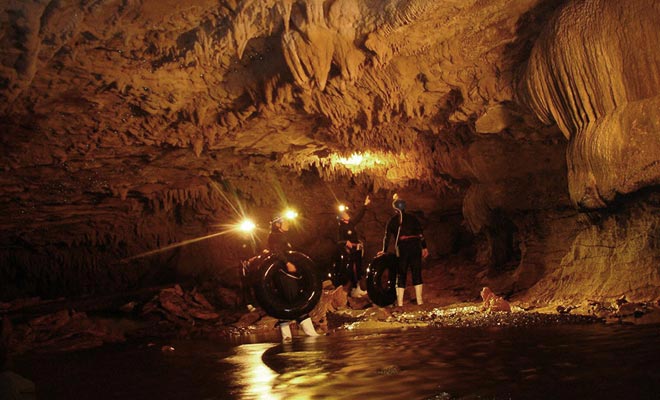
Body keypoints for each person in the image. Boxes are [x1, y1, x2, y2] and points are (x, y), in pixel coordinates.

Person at [267, 216, 320, 341]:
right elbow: (276, 251)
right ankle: (308, 333)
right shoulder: (274, 236)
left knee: (288, 300)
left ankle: (287, 337)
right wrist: (287, 263)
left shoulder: (284, 237)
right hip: (283, 274)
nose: (288, 224)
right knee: (294, 300)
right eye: (285, 222)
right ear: (278, 225)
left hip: (288, 274)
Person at [379, 194, 429, 306]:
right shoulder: (413, 218)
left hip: (402, 248)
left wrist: (384, 250)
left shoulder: (392, 221)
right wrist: (424, 247)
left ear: (395, 208)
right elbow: (420, 234)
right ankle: (420, 301)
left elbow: (387, 237)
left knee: (401, 273)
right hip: (415, 246)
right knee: (417, 272)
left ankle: (400, 303)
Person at [336, 195, 371, 297]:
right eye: (345, 214)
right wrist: (345, 242)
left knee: (359, 268)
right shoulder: (341, 228)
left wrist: (365, 205)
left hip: (357, 249)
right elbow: (339, 240)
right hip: (350, 251)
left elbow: (359, 216)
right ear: (342, 218)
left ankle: (358, 288)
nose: (347, 214)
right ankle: (354, 289)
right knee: (353, 269)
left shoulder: (351, 223)